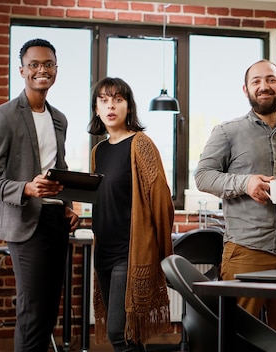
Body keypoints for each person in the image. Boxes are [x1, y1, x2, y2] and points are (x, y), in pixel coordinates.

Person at [195, 59, 276, 342]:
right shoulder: (227, 132)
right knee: (239, 338)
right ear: (246, 89)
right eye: (257, 81)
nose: (264, 86)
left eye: (271, 80)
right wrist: (245, 182)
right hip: (246, 253)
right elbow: (202, 176)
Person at [0, 38, 80, 351]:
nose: (42, 70)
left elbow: (58, 166)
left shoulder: (59, 119)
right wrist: (26, 187)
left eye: (48, 64)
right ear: (22, 70)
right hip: (24, 222)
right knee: (32, 310)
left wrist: (68, 204)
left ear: (56, 70)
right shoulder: (3, 117)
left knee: (50, 310)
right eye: (34, 64)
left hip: (55, 221)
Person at [88, 77, 175, 351]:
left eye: (118, 99)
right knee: (129, 336)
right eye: (103, 100)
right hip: (103, 252)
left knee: (120, 333)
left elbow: (162, 201)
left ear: (129, 107)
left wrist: (163, 251)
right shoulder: (98, 151)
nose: (110, 105)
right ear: (96, 109)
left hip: (131, 252)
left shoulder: (141, 144)